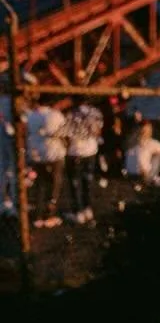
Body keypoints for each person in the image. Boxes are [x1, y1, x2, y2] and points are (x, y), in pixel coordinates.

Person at [26, 96, 68, 227]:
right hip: (55, 154)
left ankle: (38, 216)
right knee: (54, 185)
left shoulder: (31, 115)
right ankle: (50, 214)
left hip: (37, 155)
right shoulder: (56, 115)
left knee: (40, 185)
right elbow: (64, 132)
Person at [64, 97, 104, 224]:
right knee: (87, 181)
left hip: (75, 151)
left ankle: (78, 211)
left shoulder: (70, 114)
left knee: (75, 183)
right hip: (90, 150)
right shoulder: (96, 113)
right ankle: (88, 208)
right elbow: (98, 132)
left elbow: (66, 134)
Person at [124, 119, 160, 187]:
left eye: (150, 129)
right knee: (159, 156)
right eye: (147, 130)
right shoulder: (136, 144)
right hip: (143, 176)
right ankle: (154, 179)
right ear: (142, 131)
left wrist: (155, 152)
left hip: (151, 171)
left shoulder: (152, 142)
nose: (150, 132)